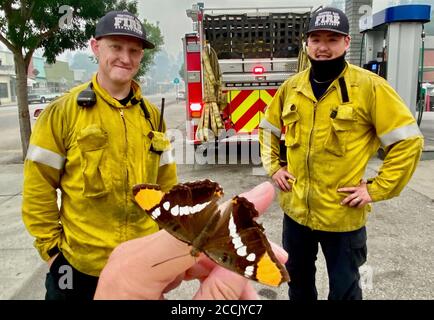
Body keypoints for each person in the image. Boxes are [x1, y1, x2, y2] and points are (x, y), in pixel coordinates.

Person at [259, 7, 424, 300]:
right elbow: (267, 128)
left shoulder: (369, 88)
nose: (323, 47)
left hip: (342, 216)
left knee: (346, 290)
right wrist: (274, 166)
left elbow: (408, 141)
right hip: (296, 213)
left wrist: (376, 189)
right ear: (306, 44)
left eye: (332, 39)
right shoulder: (292, 87)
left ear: (347, 42)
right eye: (316, 39)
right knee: (297, 284)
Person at [22, 10, 177, 300]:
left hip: (139, 264)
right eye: (116, 47)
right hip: (79, 266)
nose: (126, 58)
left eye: (134, 50)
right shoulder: (63, 113)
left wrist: (165, 246)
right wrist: (53, 254)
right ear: (96, 47)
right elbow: (37, 187)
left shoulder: (152, 117)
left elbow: (167, 188)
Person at [94, 182, 288, 299]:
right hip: (213, 226)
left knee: (167, 214)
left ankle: (215, 197)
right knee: (243, 262)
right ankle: (219, 200)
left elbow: (151, 198)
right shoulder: (210, 248)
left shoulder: (183, 233)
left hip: (198, 220)